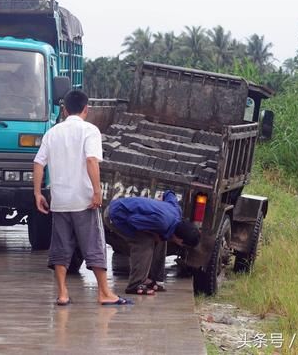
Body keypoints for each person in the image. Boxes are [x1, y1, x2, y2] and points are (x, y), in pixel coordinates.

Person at [33, 89, 132, 306]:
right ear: (86, 109)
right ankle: (104, 293)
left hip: (59, 201)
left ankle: (62, 294)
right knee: (94, 245)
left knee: (60, 247)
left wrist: (38, 193)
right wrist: (97, 191)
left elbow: (39, 163)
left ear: (64, 110)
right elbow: (91, 161)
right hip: (83, 201)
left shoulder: (53, 132)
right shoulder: (90, 131)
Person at [104, 191, 201, 295]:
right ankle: (135, 285)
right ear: (181, 240)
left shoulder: (176, 211)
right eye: (183, 245)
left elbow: (169, 193)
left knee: (161, 239)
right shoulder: (161, 223)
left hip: (125, 210)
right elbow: (133, 221)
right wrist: (152, 234)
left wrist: (159, 202)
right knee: (144, 242)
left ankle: (154, 279)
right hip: (115, 215)